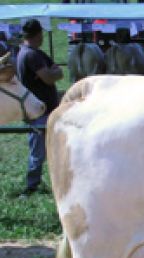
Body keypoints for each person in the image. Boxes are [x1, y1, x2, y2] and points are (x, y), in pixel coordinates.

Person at [16, 18, 61, 198]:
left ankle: (41, 183)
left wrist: (54, 72)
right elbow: (50, 77)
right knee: (38, 151)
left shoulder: (31, 53)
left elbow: (56, 71)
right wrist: (54, 72)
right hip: (39, 110)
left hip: (43, 108)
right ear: (38, 34)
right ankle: (31, 187)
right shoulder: (32, 55)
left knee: (47, 148)